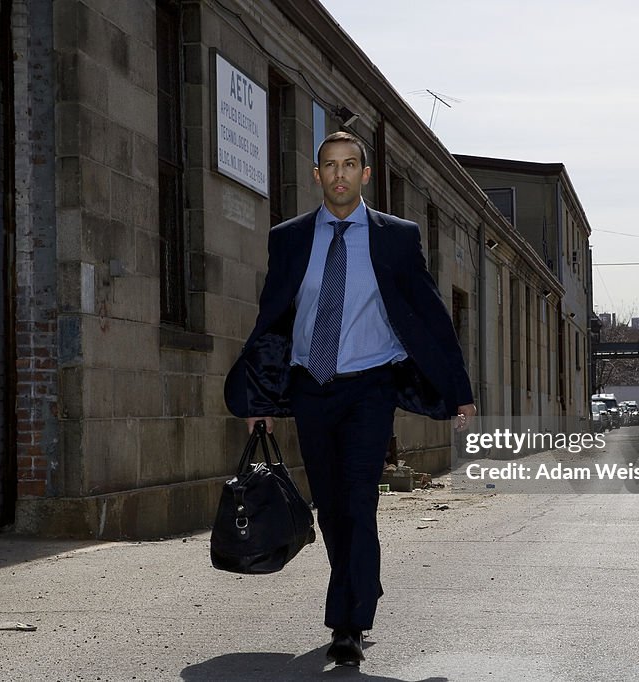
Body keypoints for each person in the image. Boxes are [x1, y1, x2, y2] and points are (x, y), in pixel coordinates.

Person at [224, 131, 476, 667]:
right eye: (329, 166)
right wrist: (259, 399)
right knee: (332, 506)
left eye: (350, 165)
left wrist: (460, 393)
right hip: (310, 387)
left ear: (366, 174)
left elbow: (431, 317)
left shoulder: (396, 238)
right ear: (317, 175)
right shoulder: (289, 239)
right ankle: (363, 585)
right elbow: (272, 320)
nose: (340, 174)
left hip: (370, 386)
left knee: (360, 500)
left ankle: (348, 622)